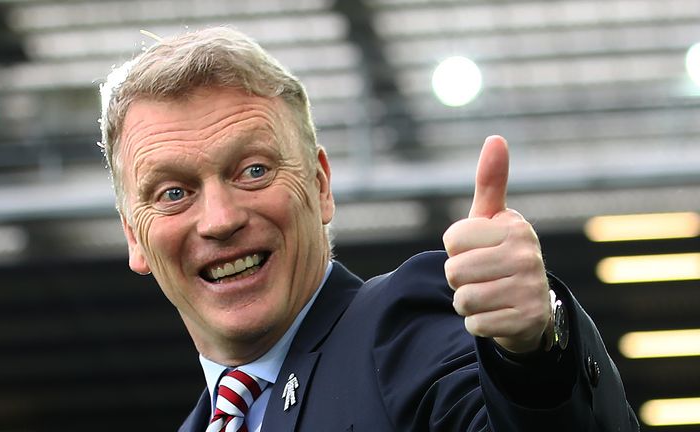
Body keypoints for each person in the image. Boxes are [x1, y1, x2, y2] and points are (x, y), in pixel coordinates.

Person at [98, 27, 639, 432]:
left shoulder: (400, 327)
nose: (219, 220)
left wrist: (533, 352)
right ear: (134, 238)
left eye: (254, 171)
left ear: (320, 186)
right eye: (173, 194)